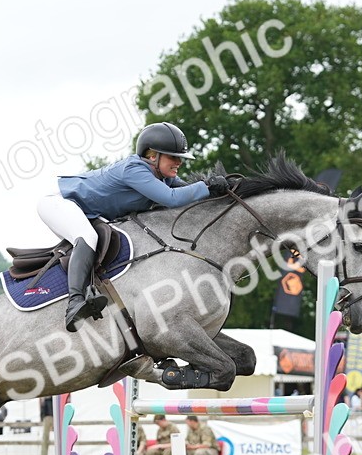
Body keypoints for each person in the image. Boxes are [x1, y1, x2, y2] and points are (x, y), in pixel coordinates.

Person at [37, 122, 228, 331]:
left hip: (85, 210)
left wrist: (214, 188)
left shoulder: (162, 176)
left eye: (179, 157)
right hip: (58, 202)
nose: (179, 162)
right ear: (153, 156)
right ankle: (75, 302)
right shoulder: (134, 170)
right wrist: (206, 186)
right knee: (88, 236)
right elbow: (172, 199)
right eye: (173, 157)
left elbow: (187, 192)